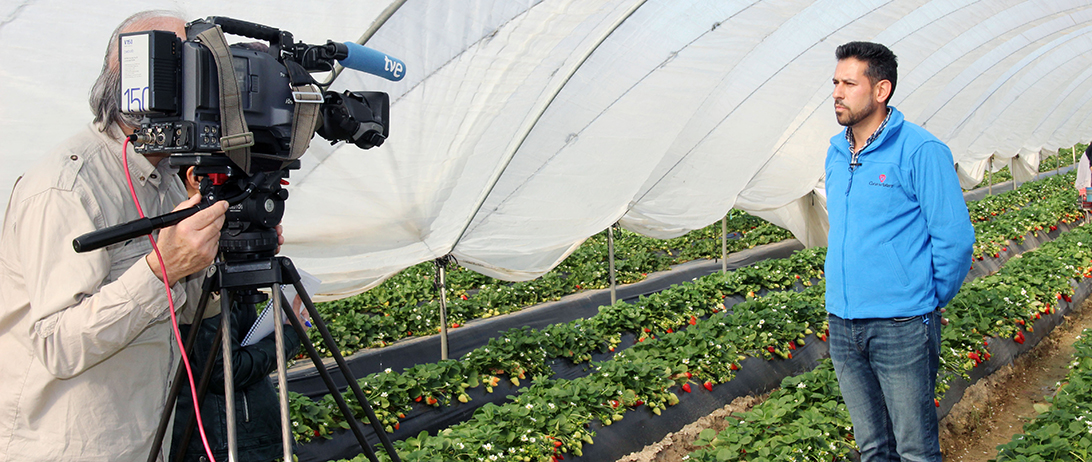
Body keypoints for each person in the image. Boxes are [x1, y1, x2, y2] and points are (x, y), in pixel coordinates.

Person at [0, 11, 233, 461]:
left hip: (145, 439)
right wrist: (160, 269)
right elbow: (57, 343)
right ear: (122, 80)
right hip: (70, 447)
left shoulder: (167, 177)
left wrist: (212, 249)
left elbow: (178, 313)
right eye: (171, 63)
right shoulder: (67, 187)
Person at [824, 41, 974, 461]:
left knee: (914, 449)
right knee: (872, 447)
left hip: (901, 324)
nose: (836, 92)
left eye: (848, 83)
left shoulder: (920, 150)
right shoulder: (836, 153)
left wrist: (922, 296)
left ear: (881, 90)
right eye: (835, 82)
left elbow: (955, 238)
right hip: (843, 322)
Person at [170, 167, 308, 462]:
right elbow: (223, 370)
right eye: (240, 185)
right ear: (197, 178)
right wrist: (290, 334)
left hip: (235, 432)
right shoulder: (196, 260)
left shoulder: (219, 251)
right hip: (221, 439)